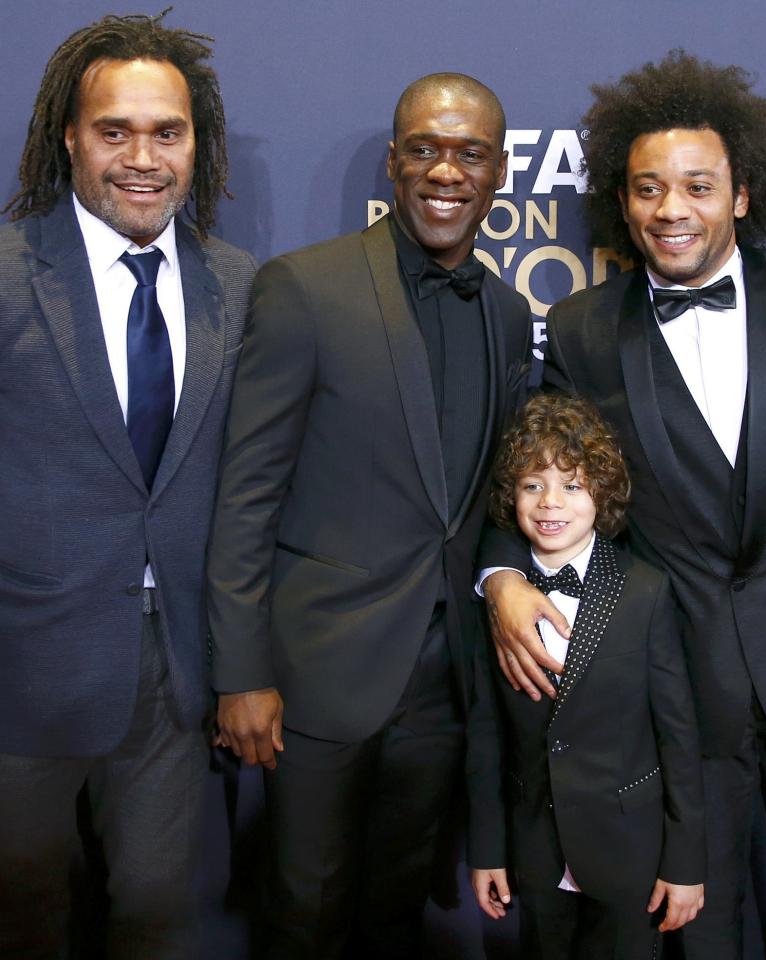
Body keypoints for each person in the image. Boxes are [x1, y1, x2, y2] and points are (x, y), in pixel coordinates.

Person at [480, 51, 766, 958]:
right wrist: (500, 576)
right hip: (677, 695)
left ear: (742, 194)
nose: (671, 209)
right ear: (624, 201)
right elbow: (539, 476)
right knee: (698, 932)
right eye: (649, 189)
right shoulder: (582, 329)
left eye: (697, 186)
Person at [0, 14, 254, 958]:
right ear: (69, 137)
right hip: (21, 674)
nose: (143, 157)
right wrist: (1, 558)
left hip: (176, 681)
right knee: (23, 924)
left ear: (199, 142)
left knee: (159, 919)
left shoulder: (236, 286)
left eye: (169, 132)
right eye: (115, 131)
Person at [207, 73, 533, 958]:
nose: (445, 172)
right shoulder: (305, 289)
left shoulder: (506, 315)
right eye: (425, 149)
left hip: (445, 684)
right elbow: (246, 492)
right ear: (394, 163)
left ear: (499, 173)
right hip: (314, 677)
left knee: (396, 915)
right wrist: (240, 672)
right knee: (302, 913)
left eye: (469, 154)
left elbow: (492, 493)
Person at [465, 392, 705, 959]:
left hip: (631, 856)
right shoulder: (494, 604)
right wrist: (487, 849)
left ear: (601, 491)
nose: (551, 503)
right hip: (536, 852)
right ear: (511, 494)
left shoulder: (645, 590)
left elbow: (679, 737)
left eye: (571, 485)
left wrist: (686, 862)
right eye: (532, 485)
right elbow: (484, 734)